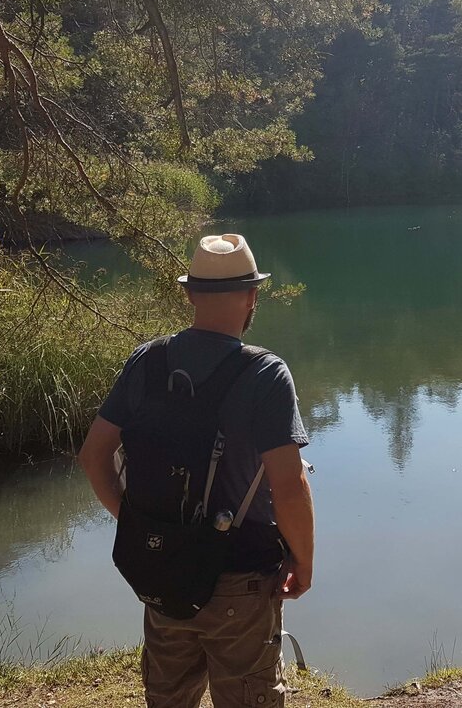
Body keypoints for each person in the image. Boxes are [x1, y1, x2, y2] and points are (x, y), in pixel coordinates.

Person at [78, 233, 314, 708]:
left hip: (162, 571)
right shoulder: (266, 374)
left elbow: (93, 456)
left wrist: (139, 525)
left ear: (189, 294)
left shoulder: (148, 360)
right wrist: (303, 562)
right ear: (252, 296)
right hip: (241, 579)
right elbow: (289, 486)